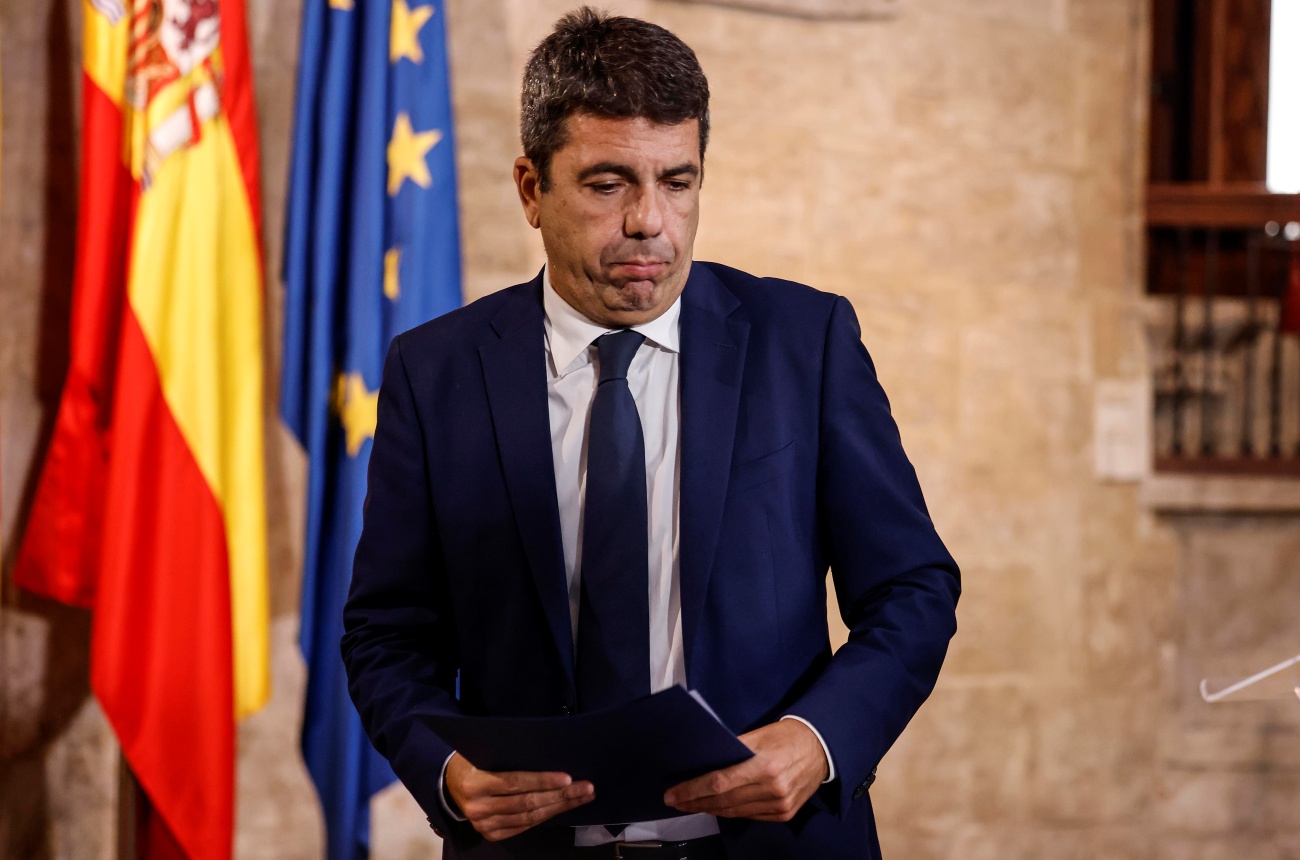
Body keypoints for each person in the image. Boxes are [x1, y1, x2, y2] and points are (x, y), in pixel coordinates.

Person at [342, 8, 959, 859]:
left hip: (773, 844)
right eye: (607, 184)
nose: (649, 222)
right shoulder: (436, 372)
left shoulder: (803, 342)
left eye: (677, 181)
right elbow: (387, 632)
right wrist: (446, 768)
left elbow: (913, 591)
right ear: (531, 188)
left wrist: (817, 741)